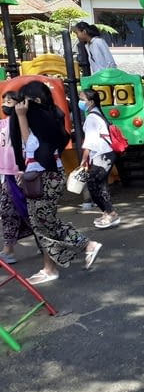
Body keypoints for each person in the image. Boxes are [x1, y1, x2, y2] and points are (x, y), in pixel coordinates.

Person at [8, 81, 102, 284]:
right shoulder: (47, 118)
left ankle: (84, 246)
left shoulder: (43, 120)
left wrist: (22, 118)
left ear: (37, 101)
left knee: (43, 223)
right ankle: (51, 267)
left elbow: (31, 146)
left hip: (45, 178)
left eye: (26, 100)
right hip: (42, 176)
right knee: (43, 223)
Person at [0, 93, 34, 265]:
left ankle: (47, 241)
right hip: (6, 174)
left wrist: (24, 168)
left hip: (21, 173)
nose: (4, 104)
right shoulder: (2, 124)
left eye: (9, 101)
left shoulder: (23, 124)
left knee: (30, 212)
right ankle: (8, 250)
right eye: (3, 101)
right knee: (7, 212)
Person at [78, 89, 120, 229]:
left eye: (82, 99)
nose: (80, 102)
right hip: (104, 154)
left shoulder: (91, 117)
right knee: (100, 185)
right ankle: (108, 212)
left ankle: (110, 213)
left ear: (90, 102)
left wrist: (84, 158)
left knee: (94, 184)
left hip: (102, 154)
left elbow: (90, 140)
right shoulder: (96, 114)